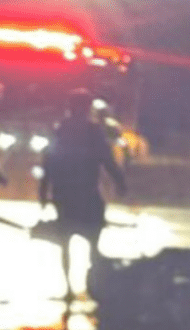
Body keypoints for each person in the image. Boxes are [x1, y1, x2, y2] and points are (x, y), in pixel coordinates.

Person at [38, 89, 127, 298]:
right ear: (87, 108)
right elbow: (106, 159)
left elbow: (49, 162)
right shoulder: (93, 131)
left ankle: (69, 288)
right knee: (93, 242)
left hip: (64, 194)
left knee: (65, 242)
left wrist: (43, 191)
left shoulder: (61, 130)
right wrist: (119, 181)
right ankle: (92, 284)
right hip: (87, 193)